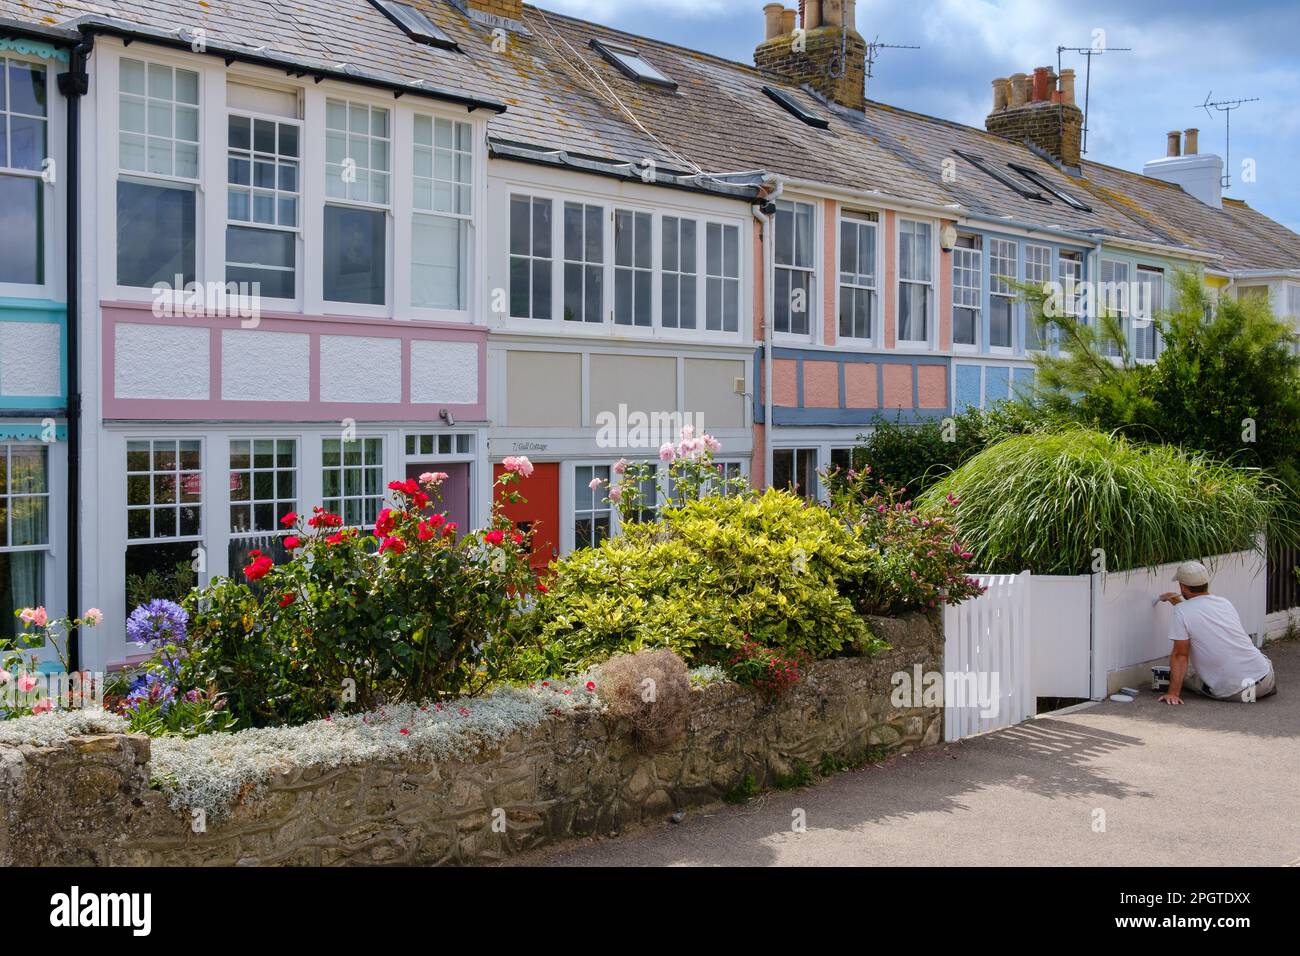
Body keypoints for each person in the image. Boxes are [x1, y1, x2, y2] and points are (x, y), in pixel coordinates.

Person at [1155, 561, 1276, 705]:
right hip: (1266, 679)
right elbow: (1200, 616)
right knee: (1257, 658)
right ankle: (1262, 691)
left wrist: (1173, 693)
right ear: (1206, 583)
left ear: (1182, 587)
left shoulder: (1181, 612)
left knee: (1185, 675)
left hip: (1238, 692)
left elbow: (1180, 655)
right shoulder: (1224, 603)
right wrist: (1178, 602)